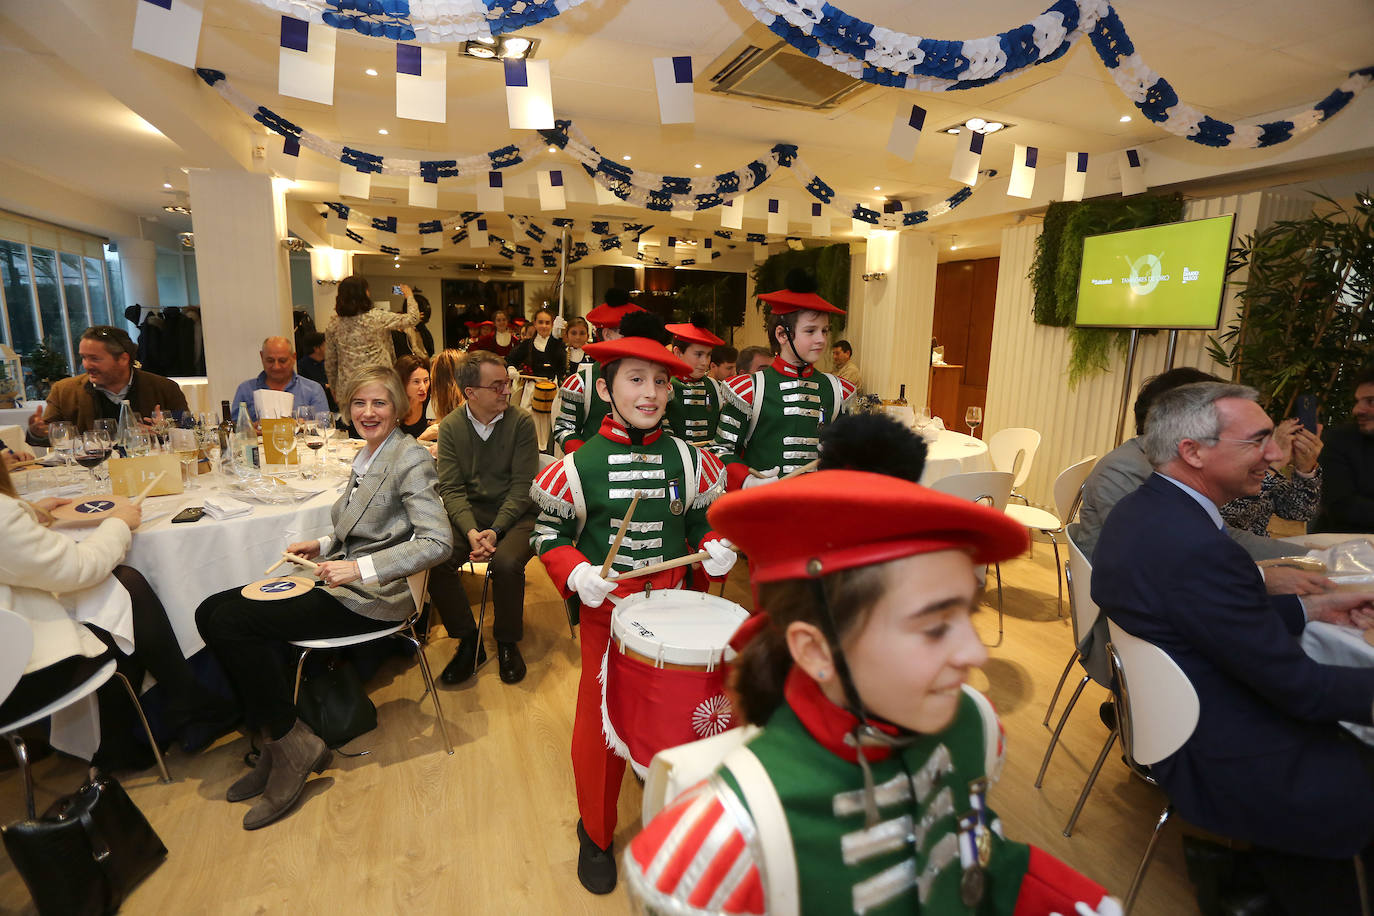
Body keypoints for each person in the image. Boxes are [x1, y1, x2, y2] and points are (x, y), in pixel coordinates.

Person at [625, 417, 1119, 916]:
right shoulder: (724, 845)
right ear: (816, 652)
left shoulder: (971, 726)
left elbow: (977, 862)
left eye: (966, 613)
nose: (975, 655)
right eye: (932, 625)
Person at [1093, 382, 1374, 912]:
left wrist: (1311, 609)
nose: (1275, 455)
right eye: (1258, 441)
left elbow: (1200, 618)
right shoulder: (1196, 545)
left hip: (1174, 720)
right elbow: (1304, 691)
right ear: (1193, 452)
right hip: (1222, 749)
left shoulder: (1145, 512)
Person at [195, 367, 452, 831]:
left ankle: (292, 744)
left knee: (233, 622)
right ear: (347, 408)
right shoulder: (370, 453)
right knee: (210, 610)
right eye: (359, 403)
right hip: (339, 580)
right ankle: (277, 741)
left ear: (397, 409)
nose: (368, 412)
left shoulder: (409, 458)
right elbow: (360, 525)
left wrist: (359, 568)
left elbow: (437, 542)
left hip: (373, 596)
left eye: (379, 403)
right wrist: (324, 543)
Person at [530, 315, 735, 894]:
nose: (649, 393)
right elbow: (548, 535)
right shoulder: (577, 466)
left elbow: (700, 521)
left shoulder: (692, 459)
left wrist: (714, 549)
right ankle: (595, 830)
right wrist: (576, 573)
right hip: (608, 618)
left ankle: (683, 817)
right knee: (597, 728)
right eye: (635, 380)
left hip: (679, 614)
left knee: (688, 717)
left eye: (660, 382)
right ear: (605, 388)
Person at [0, 462, 236, 764]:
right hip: (18, 679)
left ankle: (149, 724)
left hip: (12, 658)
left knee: (118, 589)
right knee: (120, 589)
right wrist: (119, 524)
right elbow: (79, 567)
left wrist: (26, 514)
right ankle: (185, 707)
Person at [426, 350, 538, 686]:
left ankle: (507, 641)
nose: (507, 390)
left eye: (508, 383)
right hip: (470, 518)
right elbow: (451, 489)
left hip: (517, 517)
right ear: (470, 392)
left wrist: (495, 529)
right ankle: (469, 641)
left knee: (505, 564)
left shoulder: (521, 422)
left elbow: (522, 489)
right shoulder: (451, 428)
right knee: (435, 558)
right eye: (498, 385)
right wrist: (472, 531)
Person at [713, 270, 856, 491]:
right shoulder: (751, 389)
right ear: (782, 335)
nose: (821, 339)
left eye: (825, 331)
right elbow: (721, 451)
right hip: (763, 511)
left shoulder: (836, 390)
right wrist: (747, 480)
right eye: (810, 331)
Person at [27, 325, 187, 445]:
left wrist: (166, 431)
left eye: (94, 358)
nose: (86, 365)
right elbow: (50, 436)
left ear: (123, 359)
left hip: (150, 473)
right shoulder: (64, 391)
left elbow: (189, 432)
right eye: (83, 357)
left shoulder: (165, 388)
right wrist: (37, 432)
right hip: (89, 476)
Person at [551, 289, 645, 454]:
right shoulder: (581, 382)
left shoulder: (650, 379)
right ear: (608, 335)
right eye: (630, 334)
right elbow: (564, 427)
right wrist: (586, 457)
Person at [1219, 417, 1323, 535]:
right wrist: (1272, 464)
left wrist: (1305, 468)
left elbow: (1299, 512)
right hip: (1218, 548)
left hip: (1258, 549)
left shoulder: (1260, 467)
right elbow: (1225, 517)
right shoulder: (1209, 464)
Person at [323, 276, 422, 400]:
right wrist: (409, 296)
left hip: (349, 388)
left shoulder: (334, 325)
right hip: (379, 383)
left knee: (355, 418)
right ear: (365, 293)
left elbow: (331, 362)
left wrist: (334, 387)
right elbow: (413, 318)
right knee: (381, 417)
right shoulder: (377, 318)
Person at [1312, 366, 1374, 533]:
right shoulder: (1338, 441)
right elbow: (1340, 506)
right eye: (1357, 401)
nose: (1357, 410)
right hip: (1344, 547)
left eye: (1371, 401)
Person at [230, 336, 330, 424]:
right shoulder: (246, 389)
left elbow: (324, 427)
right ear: (261, 357)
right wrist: (249, 429)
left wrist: (304, 426)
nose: (276, 367)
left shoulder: (313, 389)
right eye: (270, 361)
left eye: (282, 361)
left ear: (293, 358)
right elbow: (233, 428)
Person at [664, 318, 725, 447]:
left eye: (708, 355)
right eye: (698, 354)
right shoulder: (664, 386)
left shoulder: (715, 386)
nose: (705, 362)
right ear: (678, 353)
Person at [508, 307, 567, 383]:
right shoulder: (527, 344)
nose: (544, 326)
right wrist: (511, 368)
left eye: (547, 323)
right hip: (532, 389)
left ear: (552, 324)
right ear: (535, 323)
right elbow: (511, 359)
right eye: (540, 322)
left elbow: (561, 367)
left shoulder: (559, 345)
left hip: (553, 387)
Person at [393, 354, 433, 439]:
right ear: (402, 383)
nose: (423, 388)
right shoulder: (391, 408)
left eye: (426, 380)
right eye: (416, 382)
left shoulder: (432, 404)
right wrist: (422, 438)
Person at [297, 330, 337, 411]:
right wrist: (326, 386)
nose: (329, 349)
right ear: (316, 348)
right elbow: (305, 387)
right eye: (326, 345)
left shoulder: (328, 363)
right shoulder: (302, 365)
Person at [391, 291, 434, 361]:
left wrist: (420, 325)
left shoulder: (420, 329)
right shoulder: (397, 333)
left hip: (420, 363)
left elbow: (431, 350)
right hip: (406, 365)